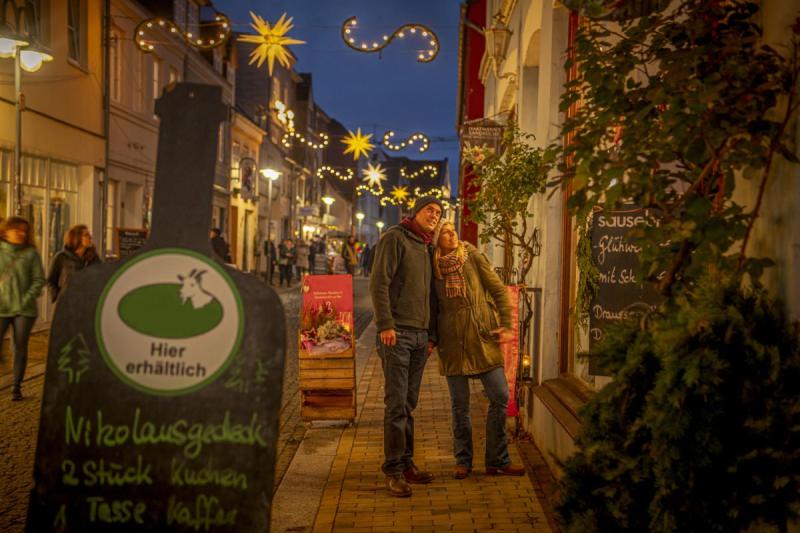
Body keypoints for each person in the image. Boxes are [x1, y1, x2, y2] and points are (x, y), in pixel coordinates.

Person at [431, 220, 525, 479]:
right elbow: (431, 307)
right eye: (445, 232)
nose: (451, 234)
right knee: (459, 406)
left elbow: (497, 289)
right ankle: (463, 461)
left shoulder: (471, 255)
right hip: (452, 343)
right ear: (437, 239)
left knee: (499, 395)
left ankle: (498, 459)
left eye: (453, 230)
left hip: (482, 335)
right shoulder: (433, 266)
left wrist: (506, 324)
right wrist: (431, 338)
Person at [369, 195, 443, 497]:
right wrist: (386, 324)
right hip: (397, 334)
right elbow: (379, 283)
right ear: (416, 211)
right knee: (396, 404)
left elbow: (432, 295)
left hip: (420, 337)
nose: (434, 215)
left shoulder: (427, 246)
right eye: (430, 210)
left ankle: (407, 463)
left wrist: (432, 336)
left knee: (409, 404)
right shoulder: (395, 238)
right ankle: (394, 471)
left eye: (438, 212)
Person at [0, 217, 45, 401]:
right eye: (17, 230)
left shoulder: (31, 254)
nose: (21, 233)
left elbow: (39, 279)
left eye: (24, 230)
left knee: (20, 347)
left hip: (24, 311)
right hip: (2, 306)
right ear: (6, 231)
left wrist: (26, 298)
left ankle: (16, 386)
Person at [47, 224, 101, 303]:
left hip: (86, 302)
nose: (90, 237)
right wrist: (57, 296)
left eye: (89, 234)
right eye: (86, 235)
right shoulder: (62, 257)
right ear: (77, 238)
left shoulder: (93, 258)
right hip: (67, 302)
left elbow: (100, 277)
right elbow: (50, 280)